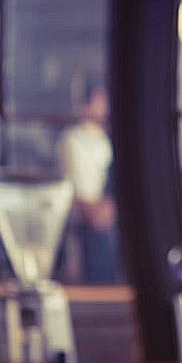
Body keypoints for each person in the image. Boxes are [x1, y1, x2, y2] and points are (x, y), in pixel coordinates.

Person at [59, 79, 124, 283]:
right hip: (89, 235)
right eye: (100, 99)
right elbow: (91, 212)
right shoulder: (74, 140)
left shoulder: (109, 140)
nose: (106, 105)